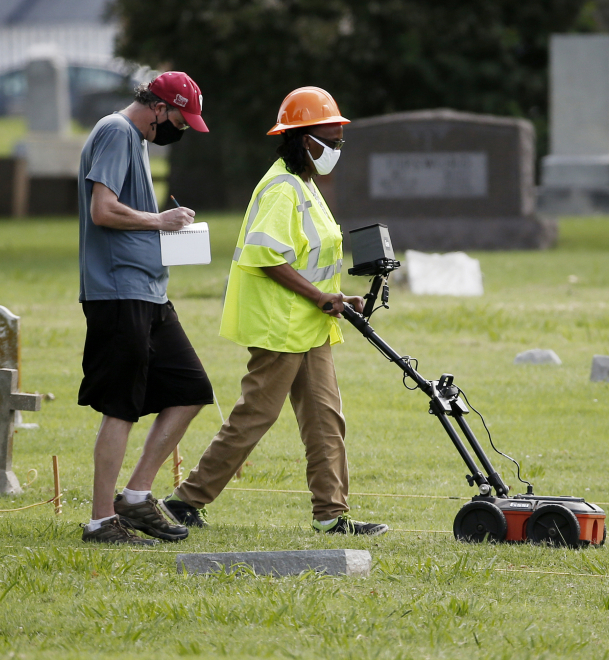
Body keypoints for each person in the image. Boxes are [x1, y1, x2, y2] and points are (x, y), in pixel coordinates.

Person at [164, 86, 388, 536]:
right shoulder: (282, 189)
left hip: (312, 323)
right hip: (280, 326)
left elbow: (310, 257)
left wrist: (337, 296)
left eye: (340, 140)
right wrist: (318, 297)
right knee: (256, 415)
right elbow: (266, 257)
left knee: (325, 418)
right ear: (306, 140)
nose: (337, 149)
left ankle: (331, 514)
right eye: (332, 139)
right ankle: (184, 502)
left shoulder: (304, 184)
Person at [77, 72, 214, 545]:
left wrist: (166, 230)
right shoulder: (117, 131)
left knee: (191, 387)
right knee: (121, 405)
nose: (180, 128)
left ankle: (135, 498)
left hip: (149, 292)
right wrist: (160, 220)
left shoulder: (134, 139)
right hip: (118, 292)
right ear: (159, 107)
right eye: (180, 118)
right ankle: (100, 522)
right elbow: (103, 209)